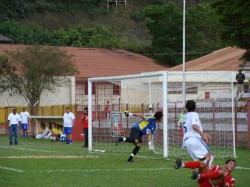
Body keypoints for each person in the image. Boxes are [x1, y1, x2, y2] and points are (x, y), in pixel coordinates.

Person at [183, 100, 213, 166]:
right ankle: (202, 175)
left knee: (203, 160)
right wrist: (203, 134)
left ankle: (183, 165)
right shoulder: (194, 114)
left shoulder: (185, 116)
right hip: (194, 139)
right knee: (209, 157)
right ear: (195, 107)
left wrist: (201, 138)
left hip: (187, 141)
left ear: (186, 107)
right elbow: (194, 126)